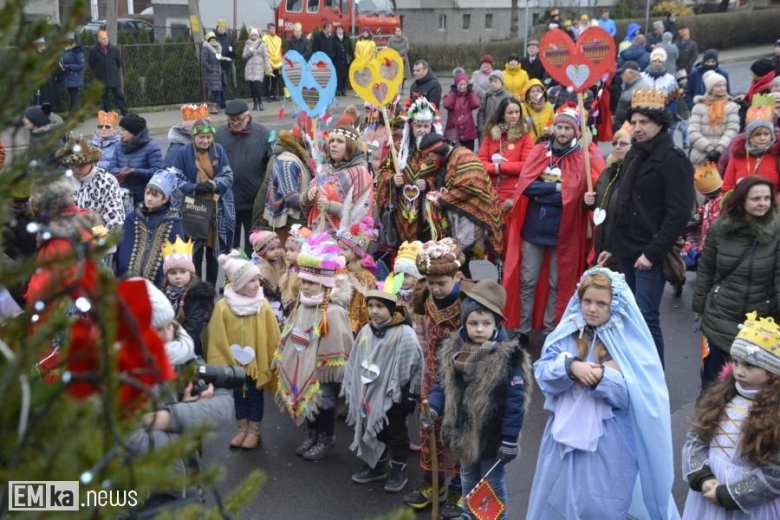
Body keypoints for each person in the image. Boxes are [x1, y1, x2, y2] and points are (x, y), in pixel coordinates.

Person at [527, 268, 678, 520]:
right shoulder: (568, 332)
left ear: (614, 305)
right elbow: (543, 373)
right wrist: (571, 366)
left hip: (609, 439)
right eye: (587, 301)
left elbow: (636, 396)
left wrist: (601, 378)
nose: (592, 309)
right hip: (564, 434)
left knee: (601, 501)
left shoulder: (628, 342)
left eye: (601, 303)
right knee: (559, 497)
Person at [598, 88, 694, 364]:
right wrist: (610, 248)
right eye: (634, 122)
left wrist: (651, 254)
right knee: (627, 316)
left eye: (644, 123)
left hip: (649, 254)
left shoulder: (674, 161)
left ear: (660, 123)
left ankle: (654, 381)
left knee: (646, 318)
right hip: (625, 249)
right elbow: (622, 204)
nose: (637, 128)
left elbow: (677, 215)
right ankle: (633, 372)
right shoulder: (633, 154)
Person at [426, 280, 531, 520]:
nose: (480, 329)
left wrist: (510, 439)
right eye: (473, 323)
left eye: (486, 323)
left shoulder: (508, 357)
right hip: (463, 432)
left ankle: (494, 518)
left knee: (490, 483)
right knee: (467, 478)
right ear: (464, 323)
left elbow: (516, 403)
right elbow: (443, 385)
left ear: (496, 325)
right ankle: (467, 515)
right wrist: (432, 408)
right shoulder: (455, 350)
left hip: (491, 435)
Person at [502, 105, 598, 340]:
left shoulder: (580, 158)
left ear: (575, 132)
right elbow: (527, 187)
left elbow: (575, 196)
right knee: (527, 280)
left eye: (567, 128)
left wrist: (569, 197)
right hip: (533, 230)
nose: (563, 132)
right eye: (559, 127)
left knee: (557, 283)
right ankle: (523, 329)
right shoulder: (538, 152)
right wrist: (556, 188)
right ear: (553, 128)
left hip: (562, 233)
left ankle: (550, 329)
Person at [682, 313, 780, 519]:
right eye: (736, 362)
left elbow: (775, 474)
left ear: (772, 371)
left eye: (750, 365)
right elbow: (696, 438)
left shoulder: (775, 414)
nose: (739, 372)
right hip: (707, 494)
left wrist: (729, 494)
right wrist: (703, 476)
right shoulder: (721, 397)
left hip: (749, 506)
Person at [692, 177, 780, 386]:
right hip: (720, 316)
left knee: (756, 391)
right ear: (741, 200)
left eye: (767, 198)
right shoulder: (719, 229)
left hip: (762, 321)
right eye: (756, 198)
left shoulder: (777, 232)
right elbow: (706, 270)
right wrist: (698, 305)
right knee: (714, 387)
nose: (763, 203)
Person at [274, 233, 354, 461]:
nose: (305, 286)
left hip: (322, 370)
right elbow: (293, 330)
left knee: (324, 402)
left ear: (325, 283)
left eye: (310, 282)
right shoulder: (303, 305)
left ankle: (326, 439)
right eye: (304, 281)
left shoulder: (333, 311)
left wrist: (325, 365)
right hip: (303, 362)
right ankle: (312, 434)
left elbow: (338, 341)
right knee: (308, 401)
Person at [404, 238, 467, 517]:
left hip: (461, 380)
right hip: (431, 376)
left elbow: (486, 345)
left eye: (442, 282)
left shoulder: (470, 304)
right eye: (431, 282)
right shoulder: (424, 297)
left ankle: (458, 488)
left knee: (457, 432)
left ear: (457, 276)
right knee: (430, 429)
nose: (435, 288)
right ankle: (433, 484)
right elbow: (422, 335)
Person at [343, 279, 423, 493]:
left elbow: (415, 364)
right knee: (375, 430)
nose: (374, 311)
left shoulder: (404, 333)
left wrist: (409, 395)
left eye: (379, 307)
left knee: (396, 434)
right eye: (370, 306)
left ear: (391, 309)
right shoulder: (366, 331)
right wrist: (352, 385)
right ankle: (375, 465)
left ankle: (399, 469)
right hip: (368, 393)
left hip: (394, 395)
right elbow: (356, 358)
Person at [207, 251, 281, 450]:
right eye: (251, 281)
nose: (257, 284)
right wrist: (222, 361)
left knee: (255, 396)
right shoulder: (223, 306)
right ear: (238, 284)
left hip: (256, 363)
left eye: (258, 279)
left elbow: (271, 333)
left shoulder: (261, 305)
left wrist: (273, 359)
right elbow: (217, 336)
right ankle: (242, 428)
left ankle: (255, 430)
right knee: (239, 395)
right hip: (234, 363)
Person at [419, 133, 504, 262]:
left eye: (429, 155)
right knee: (460, 260)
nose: (428, 159)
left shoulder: (465, 156)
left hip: (477, 213)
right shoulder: (449, 157)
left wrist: (443, 200)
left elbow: (472, 187)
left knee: (460, 258)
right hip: (465, 216)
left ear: (438, 150)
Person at [173, 119, 235, 285]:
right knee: (195, 254)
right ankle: (195, 289)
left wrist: (212, 184)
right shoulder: (184, 152)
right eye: (201, 137)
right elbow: (176, 178)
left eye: (208, 137)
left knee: (214, 254)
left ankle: (210, 290)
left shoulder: (219, 151)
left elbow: (228, 175)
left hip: (216, 210)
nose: (205, 141)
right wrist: (194, 188)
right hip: (194, 210)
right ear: (194, 136)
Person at [216, 99, 271, 256]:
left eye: (238, 119)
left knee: (252, 244)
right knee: (229, 247)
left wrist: (260, 184)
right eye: (230, 120)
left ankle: (250, 278)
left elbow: (270, 163)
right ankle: (230, 278)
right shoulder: (219, 134)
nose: (234, 124)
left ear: (248, 116)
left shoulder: (263, 133)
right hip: (227, 201)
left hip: (253, 201)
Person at [116, 169, 184, 287]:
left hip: (159, 286)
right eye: (147, 193)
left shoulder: (173, 221)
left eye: (154, 195)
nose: (149, 198)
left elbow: (177, 255)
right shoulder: (133, 218)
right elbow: (123, 251)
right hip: (130, 283)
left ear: (165, 199)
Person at [300, 125, 372, 233]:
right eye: (332, 140)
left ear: (350, 146)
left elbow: (361, 212)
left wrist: (330, 206)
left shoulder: (359, 171)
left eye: (339, 141)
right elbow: (304, 204)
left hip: (342, 241)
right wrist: (308, 195)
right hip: (316, 238)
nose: (333, 144)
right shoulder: (324, 169)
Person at [478, 96, 534, 229]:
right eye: (510, 113)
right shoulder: (491, 134)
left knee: (508, 232)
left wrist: (500, 167)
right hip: (489, 191)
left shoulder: (525, 136)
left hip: (513, 193)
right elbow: (480, 162)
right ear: (502, 115)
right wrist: (496, 169)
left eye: (517, 112)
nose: (515, 116)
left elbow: (526, 165)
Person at [253, 128, 313, 244]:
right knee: (288, 257)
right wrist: (312, 200)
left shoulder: (290, 158)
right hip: (288, 224)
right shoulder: (287, 162)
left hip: (292, 223)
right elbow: (290, 197)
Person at [56, 137, 125, 230]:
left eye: (81, 165)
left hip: (100, 236)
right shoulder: (63, 182)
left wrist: (97, 239)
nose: (77, 169)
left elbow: (115, 219)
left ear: (92, 162)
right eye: (72, 165)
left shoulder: (106, 180)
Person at [162, 236, 214, 358]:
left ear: (190, 273)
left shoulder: (195, 296)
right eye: (173, 273)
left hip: (187, 351)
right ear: (167, 275)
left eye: (182, 272)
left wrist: (175, 346)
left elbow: (193, 327)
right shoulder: (164, 294)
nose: (178, 276)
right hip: (165, 349)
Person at [591, 127, 632, 270]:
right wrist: (588, 201)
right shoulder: (608, 171)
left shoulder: (636, 174)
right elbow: (600, 199)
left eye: (623, 144)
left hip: (622, 247)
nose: (617, 147)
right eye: (615, 144)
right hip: (602, 244)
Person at [109, 113, 164, 206]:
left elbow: (158, 172)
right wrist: (120, 171)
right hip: (122, 196)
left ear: (133, 132)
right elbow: (111, 168)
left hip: (144, 199)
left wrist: (134, 171)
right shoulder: (119, 146)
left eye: (123, 130)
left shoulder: (152, 147)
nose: (120, 133)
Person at [689, 72, 740, 167]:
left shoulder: (731, 106)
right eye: (718, 86)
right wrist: (709, 149)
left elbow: (732, 130)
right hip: (701, 154)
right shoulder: (698, 107)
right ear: (710, 88)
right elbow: (693, 131)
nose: (722, 88)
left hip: (724, 154)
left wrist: (719, 150)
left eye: (724, 85)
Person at [249, 230, 287, 323]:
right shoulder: (258, 268)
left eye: (278, 247)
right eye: (272, 249)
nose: (277, 251)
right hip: (265, 302)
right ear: (262, 252)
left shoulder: (281, 259)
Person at [88, 30, 128, 115]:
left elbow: (119, 63)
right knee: (104, 97)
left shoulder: (114, 49)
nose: (105, 40)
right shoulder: (94, 51)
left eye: (106, 38)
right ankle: (108, 114)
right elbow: (91, 64)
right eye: (103, 39)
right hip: (101, 77)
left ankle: (125, 112)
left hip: (113, 76)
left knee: (119, 95)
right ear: (99, 40)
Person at [442, 72, 481, 151]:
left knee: (468, 155)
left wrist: (471, 92)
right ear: (456, 85)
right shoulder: (450, 94)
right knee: (453, 155)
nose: (462, 87)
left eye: (464, 84)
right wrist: (453, 93)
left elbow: (476, 104)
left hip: (468, 132)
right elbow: (446, 105)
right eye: (460, 84)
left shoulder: (469, 95)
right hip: (453, 131)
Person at [23, 103, 64, 168]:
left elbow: (63, 165)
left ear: (35, 120)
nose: (23, 120)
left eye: (26, 118)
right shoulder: (34, 135)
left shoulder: (54, 140)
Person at [613, 61, 648, 131]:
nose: (621, 75)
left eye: (622, 73)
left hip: (629, 131)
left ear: (630, 74)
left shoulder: (640, 88)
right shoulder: (630, 85)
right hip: (624, 128)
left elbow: (639, 114)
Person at [243, 27, 270, 112]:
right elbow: (243, 56)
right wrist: (249, 53)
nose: (254, 36)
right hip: (250, 67)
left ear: (258, 35)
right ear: (250, 36)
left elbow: (266, 56)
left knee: (256, 86)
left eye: (255, 35)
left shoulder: (262, 44)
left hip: (258, 67)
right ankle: (255, 103)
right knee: (252, 87)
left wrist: (269, 66)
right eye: (252, 35)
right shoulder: (247, 44)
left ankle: (260, 102)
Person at [477, 70, 510, 139]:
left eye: (496, 81)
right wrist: (482, 128)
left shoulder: (508, 96)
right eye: (491, 81)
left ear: (501, 82)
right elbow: (481, 112)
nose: (493, 83)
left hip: (502, 132)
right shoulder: (487, 95)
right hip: (487, 131)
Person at [201, 32, 225, 114]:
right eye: (211, 40)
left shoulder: (218, 48)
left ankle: (217, 106)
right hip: (211, 73)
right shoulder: (206, 49)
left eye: (214, 40)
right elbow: (204, 61)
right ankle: (213, 107)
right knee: (213, 90)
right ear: (208, 41)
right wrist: (210, 68)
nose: (214, 42)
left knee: (218, 90)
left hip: (217, 72)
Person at [60, 34, 85, 112]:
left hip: (74, 77)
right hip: (68, 77)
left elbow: (81, 66)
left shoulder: (77, 52)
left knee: (74, 97)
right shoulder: (66, 52)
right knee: (72, 96)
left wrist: (68, 66)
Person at [214, 20, 236, 110]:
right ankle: (218, 102)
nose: (222, 29)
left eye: (223, 28)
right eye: (220, 28)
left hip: (226, 64)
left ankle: (223, 102)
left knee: (224, 84)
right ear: (217, 28)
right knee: (218, 84)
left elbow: (234, 54)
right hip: (216, 64)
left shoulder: (229, 39)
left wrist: (231, 52)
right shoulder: (214, 38)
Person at [263, 23, 283, 103]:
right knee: (268, 80)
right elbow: (264, 51)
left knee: (275, 80)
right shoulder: (265, 38)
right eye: (272, 29)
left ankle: (273, 95)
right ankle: (267, 95)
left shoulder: (278, 39)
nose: (273, 30)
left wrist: (281, 58)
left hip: (277, 62)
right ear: (268, 29)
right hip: (268, 62)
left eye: (274, 29)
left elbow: (280, 50)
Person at [387, 27, 411, 93]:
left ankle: (401, 89)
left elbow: (406, 49)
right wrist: (394, 54)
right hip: (394, 59)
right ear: (395, 32)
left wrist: (398, 54)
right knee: (394, 75)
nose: (398, 32)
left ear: (401, 32)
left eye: (399, 31)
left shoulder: (405, 39)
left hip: (403, 59)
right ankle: (394, 89)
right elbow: (389, 48)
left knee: (403, 75)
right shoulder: (391, 40)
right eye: (396, 31)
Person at [333, 25, 353, 97]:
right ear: (336, 31)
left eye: (341, 29)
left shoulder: (346, 38)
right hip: (337, 60)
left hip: (345, 60)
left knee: (344, 76)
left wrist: (352, 57)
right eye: (338, 30)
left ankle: (343, 90)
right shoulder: (334, 39)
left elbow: (350, 48)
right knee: (338, 76)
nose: (340, 31)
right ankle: (338, 90)